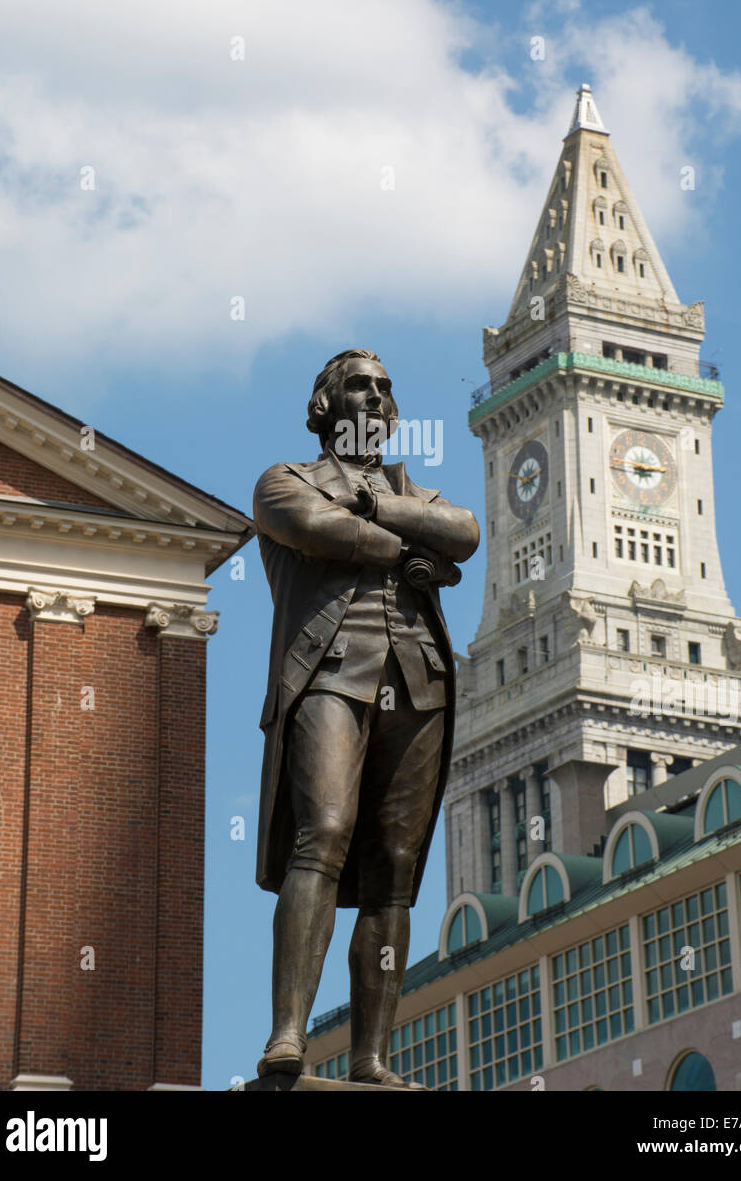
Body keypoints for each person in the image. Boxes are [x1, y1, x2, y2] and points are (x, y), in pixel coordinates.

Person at [252, 348, 479, 1086]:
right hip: (329, 674)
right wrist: (409, 543)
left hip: (419, 683)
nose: (375, 397)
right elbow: (319, 530)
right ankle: (288, 1035)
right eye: (359, 384)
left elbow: (468, 533)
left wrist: (384, 506)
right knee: (322, 834)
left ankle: (371, 1058)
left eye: (385, 387)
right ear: (326, 404)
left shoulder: (418, 491)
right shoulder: (285, 481)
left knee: (395, 870)